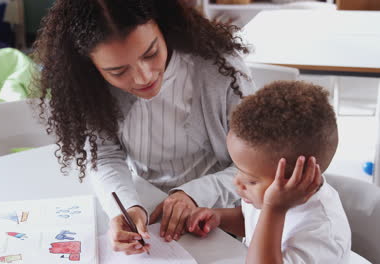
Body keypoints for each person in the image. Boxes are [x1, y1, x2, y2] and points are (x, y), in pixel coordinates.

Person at [33, 0, 255, 255]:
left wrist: (195, 194)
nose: (144, 77)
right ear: (91, 67)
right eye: (118, 71)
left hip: (222, 217)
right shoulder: (91, 88)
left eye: (151, 53)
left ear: (163, 27)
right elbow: (104, 155)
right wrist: (126, 208)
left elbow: (258, 167)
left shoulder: (218, 69)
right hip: (148, 209)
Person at [187, 81, 351, 263]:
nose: (237, 182)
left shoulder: (319, 233)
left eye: (251, 181)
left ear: (297, 179)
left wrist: (274, 209)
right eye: (238, 170)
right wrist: (219, 217)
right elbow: (251, 221)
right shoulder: (269, 196)